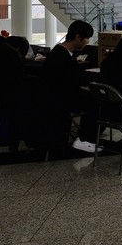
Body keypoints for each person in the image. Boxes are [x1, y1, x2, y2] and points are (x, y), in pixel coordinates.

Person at [42, 20, 98, 153]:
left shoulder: (59, 52)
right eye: (86, 38)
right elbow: (72, 83)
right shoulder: (63, 57)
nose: (88, 42)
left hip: (56, 96)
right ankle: (85, 139)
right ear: (78, 37)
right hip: (61, 99)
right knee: (95, 102)